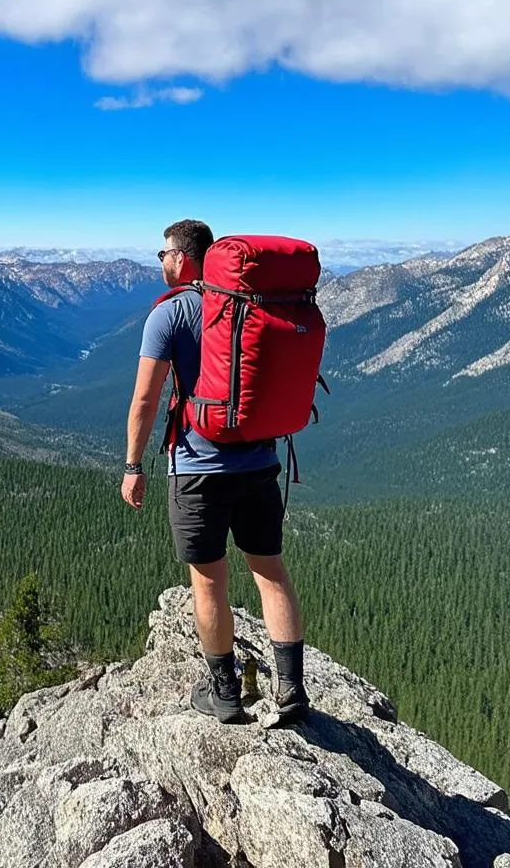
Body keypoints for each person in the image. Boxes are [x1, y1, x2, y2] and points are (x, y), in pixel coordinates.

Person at [120, 219, 309, 725]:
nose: (160, 262)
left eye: (162, 253)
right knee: (270, 571)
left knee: (208, 582)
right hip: (261, 462)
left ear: (183, 257)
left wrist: (133, 464)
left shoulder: (170, 315)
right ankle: (291, 689)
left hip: (197, 467)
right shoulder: (253, 305)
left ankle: (224, 692)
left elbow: (145, 398)